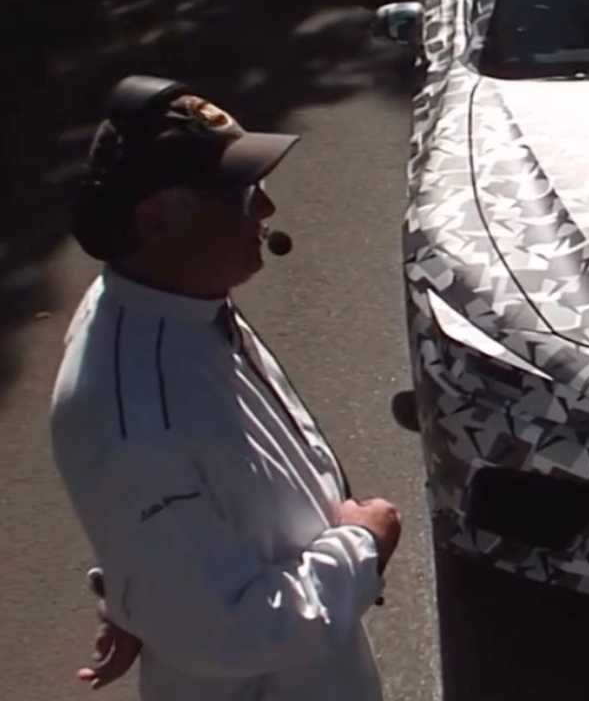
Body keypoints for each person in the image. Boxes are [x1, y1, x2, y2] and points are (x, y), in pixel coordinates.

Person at [50, 75, 401, 700]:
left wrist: (143, 587)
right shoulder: (136, 416)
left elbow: (175, 528)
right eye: (239, 193)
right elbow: (228, 631)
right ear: (156, 217)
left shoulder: (177, 298)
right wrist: (362, 545)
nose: (265, 210)